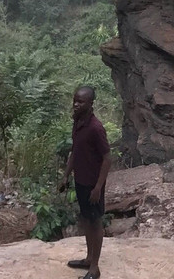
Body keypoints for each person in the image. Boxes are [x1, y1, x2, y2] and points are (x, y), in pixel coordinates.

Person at [59, 85, 112, 279]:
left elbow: (107, 158)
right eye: (75, 100)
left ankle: (94, 268)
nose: (75, 104)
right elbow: (75, 151)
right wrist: (66, 175)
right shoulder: (78, 122)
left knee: (95, 222)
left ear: (90, 104)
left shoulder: (95, 128)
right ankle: (89, 258)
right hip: (80, 181)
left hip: (92, 184)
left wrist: (98, 187)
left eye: (80, 102)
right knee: (86, 220)